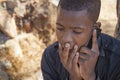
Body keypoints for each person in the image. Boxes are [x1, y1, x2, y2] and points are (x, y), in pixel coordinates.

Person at [41, 0, 120, 80]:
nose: (66, 39)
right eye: (60, 28)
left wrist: (90, 77)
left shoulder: (116, 58)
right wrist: (74, 77)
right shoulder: (51, 56)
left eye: (76, 31)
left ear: (95, 28)